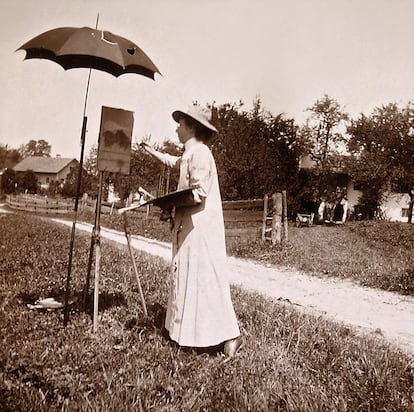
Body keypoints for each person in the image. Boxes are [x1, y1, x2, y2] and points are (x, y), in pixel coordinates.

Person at [140, 105, 242, 357]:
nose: (176, 128)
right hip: (189, 225)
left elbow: (198, 193)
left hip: (200, 227)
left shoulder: (201, 154)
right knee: (188, 275)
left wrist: (167, 202)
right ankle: (188, 334)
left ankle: (231, 335)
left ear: (191, 127)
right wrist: (151, 151)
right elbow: (175, 162)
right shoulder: (190, 154)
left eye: (180, 124)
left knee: (205, 278)